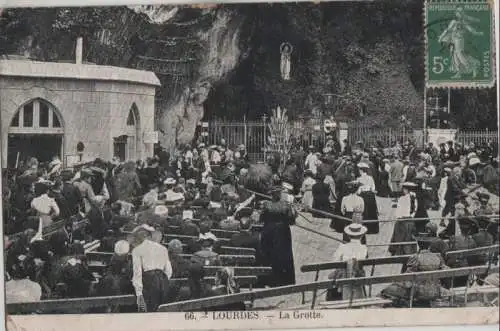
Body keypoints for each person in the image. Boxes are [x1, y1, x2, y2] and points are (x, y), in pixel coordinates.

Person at [259, 186, 297, 287]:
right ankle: (285, 279)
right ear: (279, 194)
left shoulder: (266, 205)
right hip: (282, 231)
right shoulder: (286, 205)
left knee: (269, 254)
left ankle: (270, 279)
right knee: (284, 254)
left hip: (269, 231)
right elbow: (291, 220)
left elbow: (261, 218)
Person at [131, 224, 172, 312]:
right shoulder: (163, 248)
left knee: (149, 312)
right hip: (163, 281)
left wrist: (139, 294)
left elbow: (137, 273)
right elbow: (169, 271)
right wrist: (163, 280)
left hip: (149, 282)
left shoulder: (137, 250)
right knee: (162, 311)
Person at [327, 223, 368, 301]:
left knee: (332, 276)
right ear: (362, 236)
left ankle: (336, 298)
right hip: (358, 276)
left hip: (344, 277)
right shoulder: (364, 248)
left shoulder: (343, 247)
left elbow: (334, 261)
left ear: (348, 236)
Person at [389, 182, 418, 256]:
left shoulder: (402, 199)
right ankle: (410, 250)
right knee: (409, 237)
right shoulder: (414, 199)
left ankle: (398, 251)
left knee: (398, 236)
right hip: (410, 220)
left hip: (402, 220)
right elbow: (415, 210)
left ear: (406, 190)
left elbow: (398, 212)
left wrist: (398, 217)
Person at [356, 163, 379, 234]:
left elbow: (359, 190)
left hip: (363, 195)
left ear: (361, 170)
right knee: (371, 211)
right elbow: (373, 188)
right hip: (370, 195)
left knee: (363, 211)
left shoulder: (359, 179)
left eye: (360, 170)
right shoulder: (370, 178)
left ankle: (363, 227)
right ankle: (372, 228)